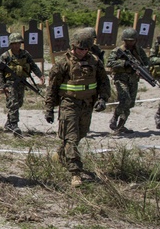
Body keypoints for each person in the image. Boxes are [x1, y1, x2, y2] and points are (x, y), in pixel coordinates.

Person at [44, 29, 111, 187]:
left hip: (87, 105)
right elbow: (52, 88)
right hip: (69, 104)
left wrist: (102, 98)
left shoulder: (95, 62)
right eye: (79, 49)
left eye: (85, 49)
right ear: (73, 47)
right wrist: (49, 109)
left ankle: (60, 154)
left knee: (79, 135)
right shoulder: (62, 64)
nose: (82, 52)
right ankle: (75, 173)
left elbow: (104, 82)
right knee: (72, 138)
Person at [0, 32, 45, 136]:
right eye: (14, 43)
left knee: (19, 103)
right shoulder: (5, 56)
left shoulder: (25, 54)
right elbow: (0, 72)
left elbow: (33, 66)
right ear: (10, 44)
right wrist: (2, 86)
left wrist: (40, 75)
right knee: (13, 103)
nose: (17, 45)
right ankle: (14, 125)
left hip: (21, 82)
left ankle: (9, 123)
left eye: (18, 43)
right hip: (10, 83)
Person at [105, 28, 150, 135]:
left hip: (133, 79)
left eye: (132, 41)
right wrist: (124, 64)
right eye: (128, 41)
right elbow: (110, 63)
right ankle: (114, 118)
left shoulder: (139, 51)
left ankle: (120, 126)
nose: (130, 43)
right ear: (123, 40)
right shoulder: (117, 51)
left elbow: (146, 63)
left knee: (130, 103)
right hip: (120, 79)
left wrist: (142, 70)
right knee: (126, 100)